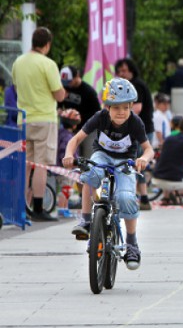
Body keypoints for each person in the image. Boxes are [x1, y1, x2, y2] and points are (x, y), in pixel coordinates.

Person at [62, 78, 154, 270]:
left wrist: (143, 158)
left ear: (131, 107)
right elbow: (76, 139)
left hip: (125, 161)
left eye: (125, 108)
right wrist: (69, 154)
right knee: (90, 174)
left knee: (125, 197)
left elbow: (148, 149)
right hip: (102, 156)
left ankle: (131, 243)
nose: (121, 113)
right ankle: (86, 221)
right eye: (116, 108)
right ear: (107, 107)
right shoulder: (100, 117)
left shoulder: (135, 122)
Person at [11, 27, 66, 221]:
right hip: (44, 118)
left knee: (25, 165)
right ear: (47, 44)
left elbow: (16, 88)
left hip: (23, 119)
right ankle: (39, 207)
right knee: (41, 165)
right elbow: (59, 94)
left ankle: (20, 207)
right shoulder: (48, 64)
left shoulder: (18, 62)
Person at [115, 58, 155, 210]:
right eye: (119, 72)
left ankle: (137, 198)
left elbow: (136, 109)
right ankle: (142, 198)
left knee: (136, 162)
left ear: (132, 70)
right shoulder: (131, 85)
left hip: (141, 130)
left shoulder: (136, 86)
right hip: (140, 129)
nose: (122, 74)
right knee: (137, 164)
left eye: (124, 71)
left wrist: (116, 118)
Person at [58, 65, 102, 158]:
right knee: (69, 155)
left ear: (77, 76)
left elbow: (97, 113)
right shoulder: (64, 88)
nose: (67, 85)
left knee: (88, 156)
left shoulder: (89, 91)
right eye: (64, 82)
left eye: (69, 82)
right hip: (69, 130)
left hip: (87, 130)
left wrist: (78, 117)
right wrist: (60, 111)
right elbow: (59, 103)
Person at [56, 109, 81, 218]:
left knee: (67, 189)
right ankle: (62, 208)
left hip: (63, 168)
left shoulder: (61, 133)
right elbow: (64, 152)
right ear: (74, 125)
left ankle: (65, 208)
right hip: (65, 169)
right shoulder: (68, 137)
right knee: (66, 189)